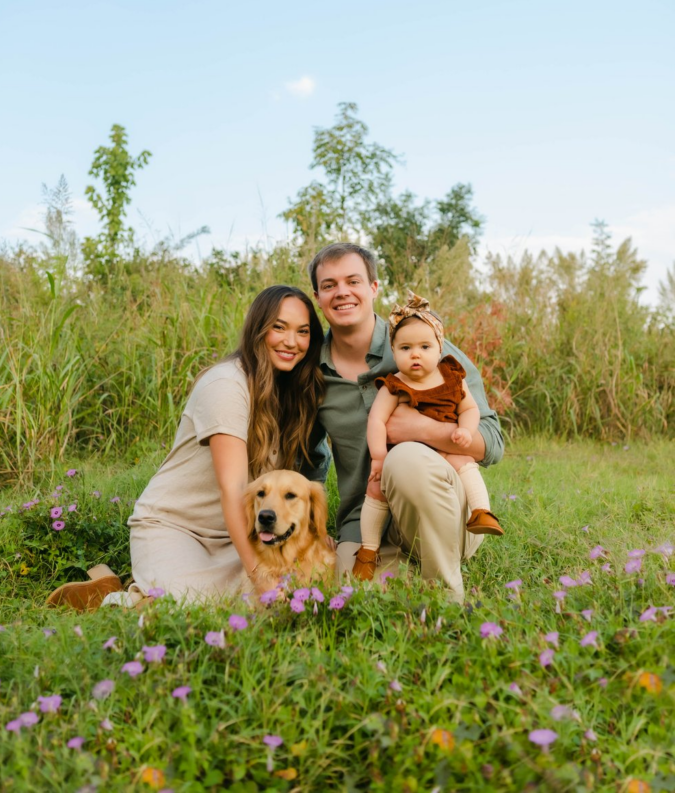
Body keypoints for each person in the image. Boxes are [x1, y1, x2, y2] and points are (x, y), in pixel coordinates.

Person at [47, 286, 326, 610]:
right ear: (257, 329)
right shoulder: (227, 386)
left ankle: (135, 584)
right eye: (279, 327)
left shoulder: (289, 391)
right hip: (176, 529)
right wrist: (257, 573)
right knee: (203, 606)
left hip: (238, 533)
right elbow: (233, 487)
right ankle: (112, 595)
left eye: (302, 332)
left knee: (289, 592)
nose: (292, 342)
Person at [308, 243, 505, 604]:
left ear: (373, 288)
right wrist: (309, 527)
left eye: (353, 281)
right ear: (317, 295)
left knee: (405, 459)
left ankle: (446, 600)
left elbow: (492, 443)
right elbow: (307, 457)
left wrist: (419, 429)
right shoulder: (312, 373)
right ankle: (402, 570)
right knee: (353, 599)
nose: (342, 292)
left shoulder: (428, 348)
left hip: (443, 515)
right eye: (330, 284)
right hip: (366, 522)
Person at [354, 291, 503, 582]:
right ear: (394, 353)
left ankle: (481, 512)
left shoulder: (452, 378)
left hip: (445, 460)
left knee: (464, 462)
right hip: (403, 466)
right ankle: (368, 551)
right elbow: (377, 420)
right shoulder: (394, 386)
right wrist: (378, 457)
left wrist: (465, 430)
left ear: (440, 348)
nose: (415, 354)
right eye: (406, 348)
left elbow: (470, 409)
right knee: (375, 490)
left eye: (425, 346)